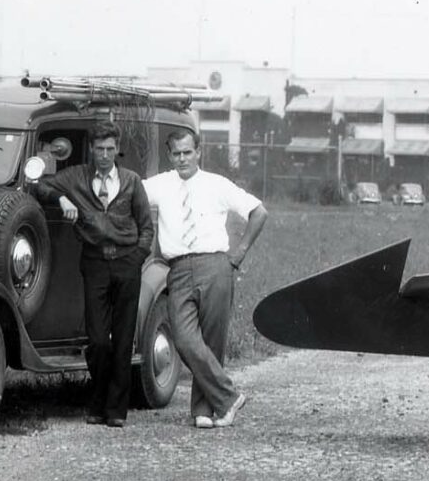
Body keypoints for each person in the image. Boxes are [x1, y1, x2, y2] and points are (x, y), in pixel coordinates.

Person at [29, 122, 155, 427]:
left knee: (124, 339)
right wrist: (62, 198)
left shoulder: (131, 181)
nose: (105, 155)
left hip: (127, 262)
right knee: (98, 339)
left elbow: (146, 227)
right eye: (100, 149)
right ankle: (97, 401)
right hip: (95, 263)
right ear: (91, 150)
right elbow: (38, 184)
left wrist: (137, 257)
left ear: (117, 149)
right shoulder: (76, 177)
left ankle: (115, 410)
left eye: (110, 149)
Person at [144, 126, 269, 428]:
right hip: (177, 268)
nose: (183, 159)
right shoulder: (160, 185)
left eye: (188, 152)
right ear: (169, 155)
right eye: (177, 154)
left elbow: (259, 212)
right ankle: (229, 397)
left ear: (199, 152)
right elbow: (129, 191)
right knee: (185, 340)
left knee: (212, 341)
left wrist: (238, 254)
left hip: (215, 265)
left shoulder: (217, 185)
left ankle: (204, 410)